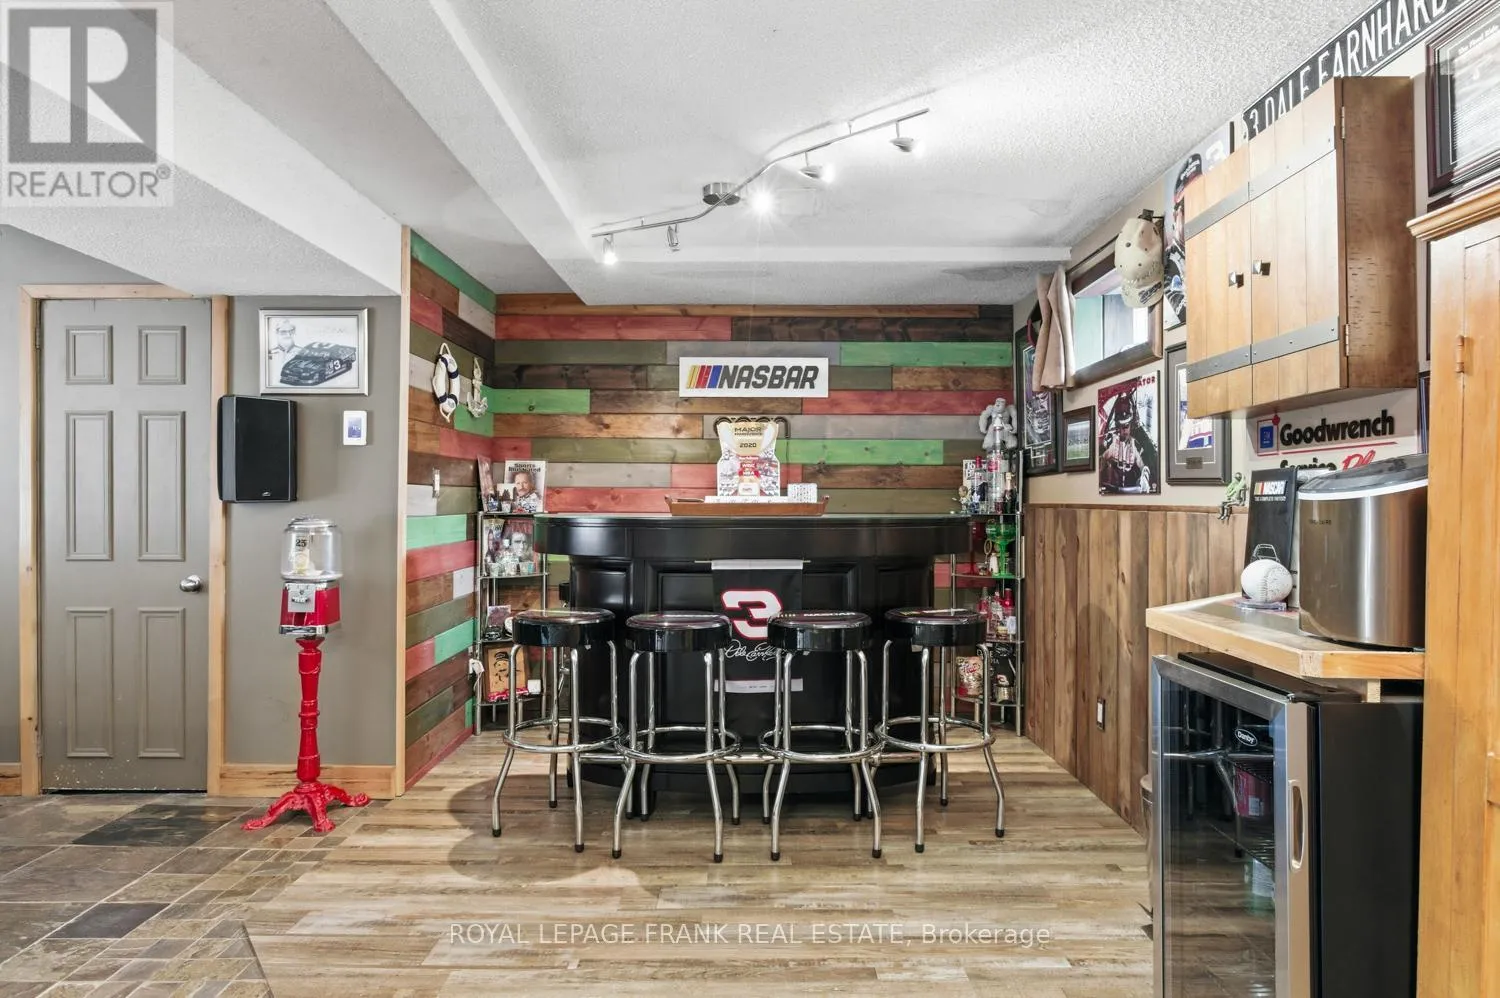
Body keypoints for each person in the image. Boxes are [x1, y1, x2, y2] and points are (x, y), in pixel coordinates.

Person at [1099, 390, 1159, 493]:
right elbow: (1102, 460)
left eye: (1126, 426)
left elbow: (1144, 466)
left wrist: (1144, 478)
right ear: (1118, 427)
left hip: (1132, 491)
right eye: (1121, 426)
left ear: (1131, 426)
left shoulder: (1135, 445)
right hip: (1113, 490)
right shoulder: (1111, 442)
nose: (1124, 430)